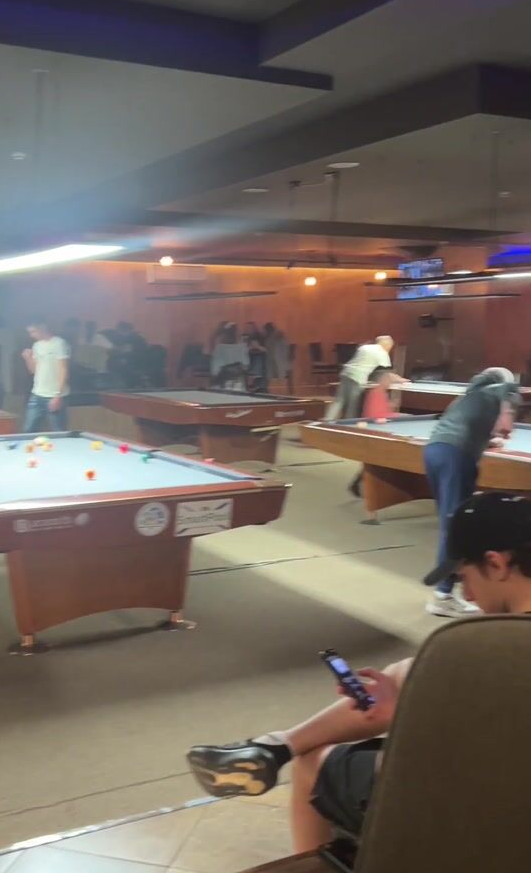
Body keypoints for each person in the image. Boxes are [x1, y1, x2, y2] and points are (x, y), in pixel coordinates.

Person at [186, 492, 531, 853]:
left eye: (464, 578)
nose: (469, 595)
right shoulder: (487, 646)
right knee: (409, 673)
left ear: (496, 564)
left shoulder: (482, 646)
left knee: (312, 767)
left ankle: (283, 767)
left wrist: (406, 721)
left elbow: (481, 755)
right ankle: (274, 747)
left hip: (487, 809)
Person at [423, 367, 519, 617]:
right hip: (455, 457)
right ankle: (443, 595)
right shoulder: (502, 389)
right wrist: (506, 418)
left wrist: (488, 439)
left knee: (452, 522)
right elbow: (507, 406)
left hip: (434, 451)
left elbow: (464, 426)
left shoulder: (469, 396)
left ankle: (447, 592)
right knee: (457, 526)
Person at [326, 336, 407, 420]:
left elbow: (362, 363)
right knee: (352, 405)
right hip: (357, 378)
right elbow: (386, 374)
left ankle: (327, 420)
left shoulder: (365, 347)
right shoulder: (383, 353)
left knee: (339, 400)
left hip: (346, 373)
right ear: (387, 345)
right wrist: (399, 379)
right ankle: (349, 423)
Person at [348, 367, 399, 497]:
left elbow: (381, 414)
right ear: (383, 380)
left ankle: (359, 484)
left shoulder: (380, 393)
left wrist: (391, 409)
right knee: (376, 461)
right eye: (388, 379)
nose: (390, 382)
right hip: (375, 432)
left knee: (375, 461)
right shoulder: (377, 394)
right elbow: (376, 416)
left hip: (378, 431)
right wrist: (395, 415)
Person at [21, 321, 70, 432]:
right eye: (30, 332)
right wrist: (27, 358)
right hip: (37, 394)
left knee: (58, 431)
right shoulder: (36, 345)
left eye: (33, 331)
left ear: (42, 328)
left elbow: (64, 369)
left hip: (54, 395)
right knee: (28, 430)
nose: (31, 335)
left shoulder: (59, 343)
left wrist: (57, 395)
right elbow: (34, 371)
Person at [210, 323, 249, 390]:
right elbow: (246, 366)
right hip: (238, 383)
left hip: (222, 383)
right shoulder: (242, 347)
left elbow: (215, 370)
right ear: (236, 334)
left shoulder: (219, 348)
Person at [263, 322, 291, 387]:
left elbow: (270, 350)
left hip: (277, 361)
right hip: (283, 361)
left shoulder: (272, 338)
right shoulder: (279, 336)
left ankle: (270, 382)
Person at [243, 321, 268, 393]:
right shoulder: (244, 337)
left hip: (259, 356)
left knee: (258, 358)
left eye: (250, 328)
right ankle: (252, 381)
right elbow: (242, 350)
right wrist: (249, 347)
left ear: (254, 328)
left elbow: (266, 350)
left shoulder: (261, 337)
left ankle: (252, 381)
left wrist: (258, 346)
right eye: (247, 328)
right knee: (252, 359)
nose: (249, 330)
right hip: (248, 357)